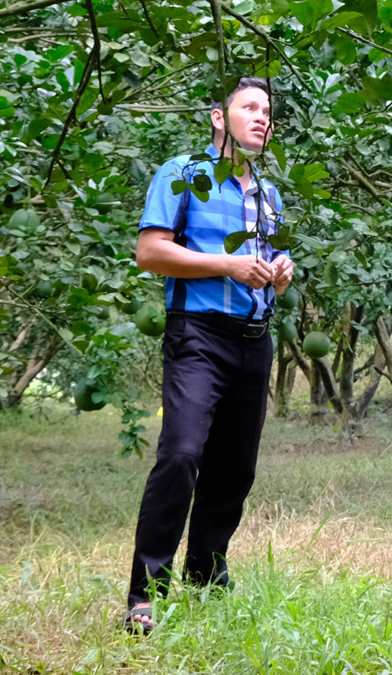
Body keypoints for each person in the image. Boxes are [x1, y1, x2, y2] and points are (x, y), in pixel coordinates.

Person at [123, 77, 294, 634]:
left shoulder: (269, 193)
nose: (261, 117)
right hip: (198, 336)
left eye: (267, 110)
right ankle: (146, 591)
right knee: (180, 454)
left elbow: (271, 266)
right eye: (249, 107)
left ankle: (206, 574)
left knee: (234, 469)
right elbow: (150, 252)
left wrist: (282, 274)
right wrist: (227, 265)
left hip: (254, 339)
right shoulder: (182, 173)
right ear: (219, 117)